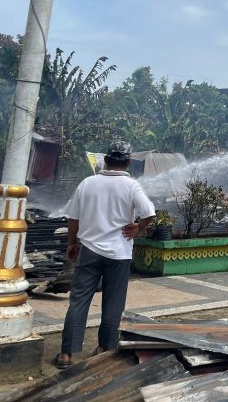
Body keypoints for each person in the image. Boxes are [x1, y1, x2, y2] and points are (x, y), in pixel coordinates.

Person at [55, 141, 156, 369]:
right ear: (128, 162)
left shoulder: (87, 183)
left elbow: (73, 219)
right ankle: (105, 350)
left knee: (79, 301)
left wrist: (72, 243)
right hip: (119, 254)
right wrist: (138, 228)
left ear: (105, 160)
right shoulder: (132, 186)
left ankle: (66, 355)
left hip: (89, 250)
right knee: (113, 304)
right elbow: (149, 212)